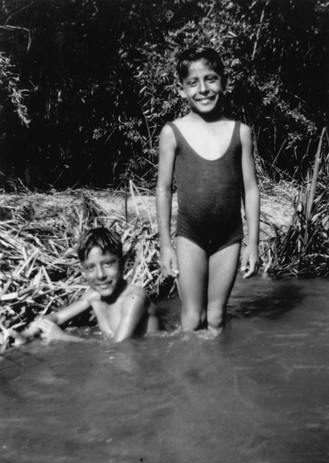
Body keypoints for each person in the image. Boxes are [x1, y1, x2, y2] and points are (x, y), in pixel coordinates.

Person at [156, 46, 260, 335]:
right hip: (190, 234)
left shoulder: (240, 132)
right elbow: (163, 190)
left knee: (215, 318)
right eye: (193, 82)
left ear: (224, 82)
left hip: (230, 236)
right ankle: (187, 378)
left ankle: (218, 377)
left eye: (211, 79)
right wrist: (165, 245)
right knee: (192, 318)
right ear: (181, 90)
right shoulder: (172, 132)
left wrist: (253, 243)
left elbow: (250, 190)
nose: (203, 89)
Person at [11, 227, 159, 345]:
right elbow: (56, 318)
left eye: (108, 264)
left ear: (123, 264)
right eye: (91, 267)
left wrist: (64, 338)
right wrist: (27, 334)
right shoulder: (93, 295)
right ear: (83, 271)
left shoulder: (134, 299)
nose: (100, 274)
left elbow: (118, 349)